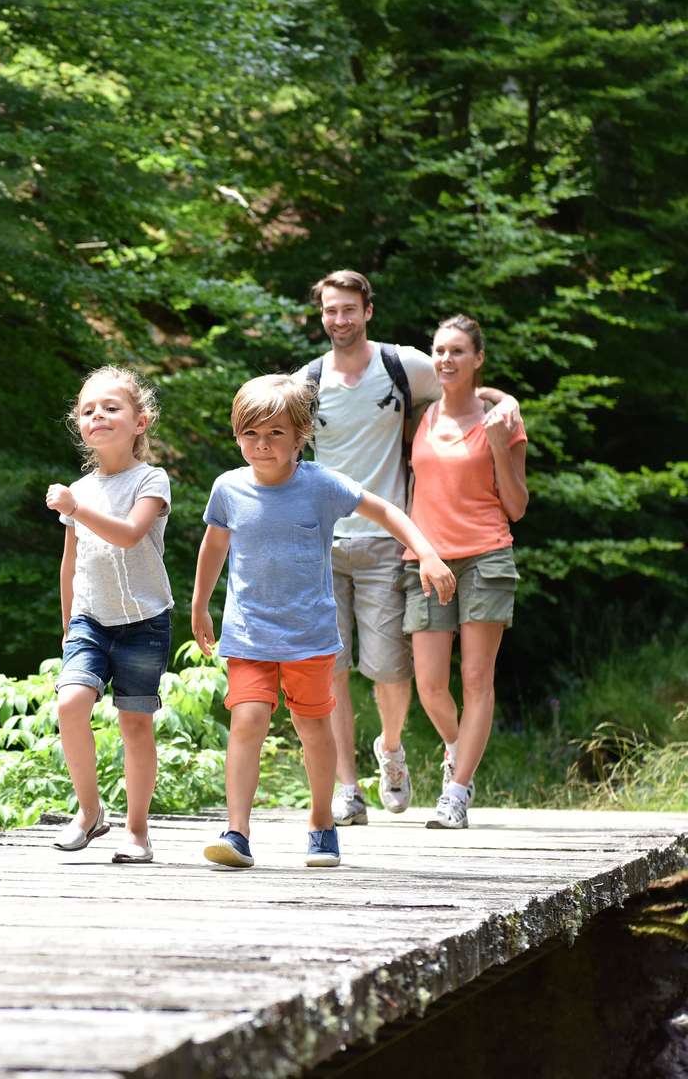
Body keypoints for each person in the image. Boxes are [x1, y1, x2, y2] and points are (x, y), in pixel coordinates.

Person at [193, 375, 454, 869]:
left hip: (309, 635)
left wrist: (427, 553)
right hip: (249, 632)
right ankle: (237, 833)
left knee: (313, 728)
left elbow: (384, 510)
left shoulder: (319, 485)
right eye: (251, 434)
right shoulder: (228, 488)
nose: (262, 445)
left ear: (301, 435)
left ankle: (321, 823)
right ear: (236, 435)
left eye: (275, 433)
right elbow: (214, 545)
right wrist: (200, 602)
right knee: (247, 721)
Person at [299, 270, 519, 825]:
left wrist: (505, 399)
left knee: (392, 674)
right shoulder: (305, 381)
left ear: (368, 310)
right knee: (335, 670)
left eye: (349, 309)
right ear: (321, 314)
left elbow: (460, 383)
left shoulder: (402, 366)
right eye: (331, 310)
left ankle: (404, 756)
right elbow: (264, 431)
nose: (340, 319)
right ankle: (350, 789)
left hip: (392, 542)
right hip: (327, 543)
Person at [44, 366, 172, 864]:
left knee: (135, 724)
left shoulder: (151, 480)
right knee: (70, 704)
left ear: (139, 422)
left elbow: (128, 534)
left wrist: (75, 508)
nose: (98, 415)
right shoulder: (81, 488)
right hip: (90, 621)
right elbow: (70, 562)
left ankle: (137, 832)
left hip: (144, 622)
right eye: (88, 410)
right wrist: (67, 624)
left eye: (111, 407)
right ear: (80, 425)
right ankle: (90, 812)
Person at [404, 315, 528, 829]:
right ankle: (460, 750)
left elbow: (517, 506)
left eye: (458, 351)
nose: (446, 360)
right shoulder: (419, 417)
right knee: (430, 684)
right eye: (440, 351)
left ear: (477, 358)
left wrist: (499, 441)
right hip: (427, 558)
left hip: (486, 555)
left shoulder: (502, 421)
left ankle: (455, 794)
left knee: (477, 678)